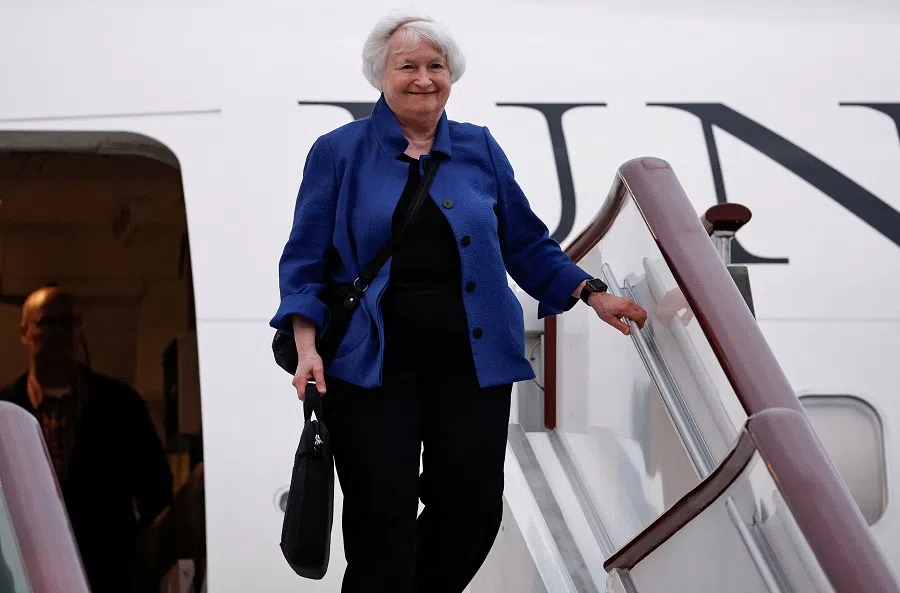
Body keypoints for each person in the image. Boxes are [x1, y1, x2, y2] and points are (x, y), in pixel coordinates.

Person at [269, 11, 648, 593]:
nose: (424, 78)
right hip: (371, 365)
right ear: (381, 76)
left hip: (470, 363)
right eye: (408, 66)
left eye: (435, 66)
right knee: (380, 517)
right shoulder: (338, 152)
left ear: (451, 75)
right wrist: (304, 344)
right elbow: (304, 256)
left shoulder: (479, 149)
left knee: (472, 512)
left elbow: (524, 241)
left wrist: (590, 293)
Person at [0, 286, 174, 593]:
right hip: (23, 575)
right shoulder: (7, 412)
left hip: (108, 575)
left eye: (67, 323)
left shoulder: (120, 405)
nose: (58, 332)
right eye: (46, 322)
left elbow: (157, 492)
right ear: (24, 332)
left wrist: (141, 567)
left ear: (79, 331)